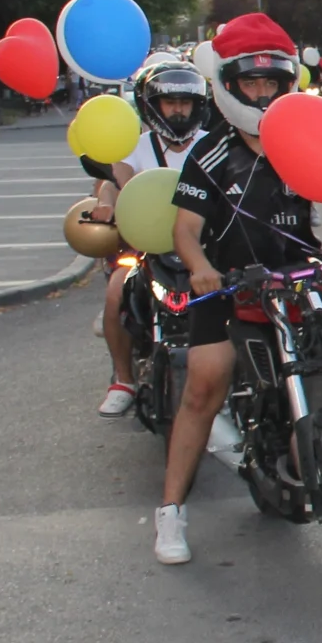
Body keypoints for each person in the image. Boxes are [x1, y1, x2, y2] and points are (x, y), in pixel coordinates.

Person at [153, 13, 322, 565]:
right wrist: (198, 266)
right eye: (253, 84)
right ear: (231, 85)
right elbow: (186, 231)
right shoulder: (211, 154)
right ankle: (171, 513)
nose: (263, 93)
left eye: (272, 83)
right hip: (230, 285)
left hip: (301, 274)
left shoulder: (305, 137)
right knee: (204, 381)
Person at [94, 58, 211, 417]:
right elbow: (112, 182)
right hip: (147, 248)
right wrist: (105, 203)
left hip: (203, 247)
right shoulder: (136, 146)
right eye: (169, 102)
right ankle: (124, 380)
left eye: (185, 102)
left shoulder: (213, 146)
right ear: (152, 106)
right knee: (117, 290)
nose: (178, 110)